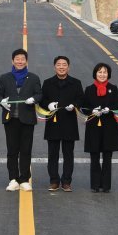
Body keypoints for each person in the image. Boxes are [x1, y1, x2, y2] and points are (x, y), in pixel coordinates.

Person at [0, 49, 42, 192]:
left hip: (27, 119)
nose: (20, 61)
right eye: (17, 59)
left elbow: (39, 94)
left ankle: (24, 179)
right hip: (11, 119)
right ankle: (13, 179)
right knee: (12, 150)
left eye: (22, 59)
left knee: (26, 150)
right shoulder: (5, 77)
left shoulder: (33, 78)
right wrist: (1, 101)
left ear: (26, 61)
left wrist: (34, 99)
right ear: (12, 61)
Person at [40, 56, 84, 192]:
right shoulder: (47, 83)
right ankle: (54, 180)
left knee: (68, 154)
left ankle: (66, 181)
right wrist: (48, 104)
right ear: (54, 67)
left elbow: (81, 99)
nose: (61, 67)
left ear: (68, 67)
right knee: (52, 153)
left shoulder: (76, 83)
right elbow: (41, 100)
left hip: (69, 122)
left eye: (64, 64)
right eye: (58, 64)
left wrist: (75, 105)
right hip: (53, 122)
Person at [82, 63, 118, 193]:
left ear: (108, 74)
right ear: (95, 73)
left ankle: (106, 185)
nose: (102, 74)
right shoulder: (89, 89)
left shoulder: (113, 88)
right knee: (94, 156)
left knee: (107, 157)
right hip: (93, 126)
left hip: (109, 126)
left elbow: (117, 106)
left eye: (105, 72)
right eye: (100, 72)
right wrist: (92, 111)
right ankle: (95, 185)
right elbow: (83, 107)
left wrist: (108, 110)